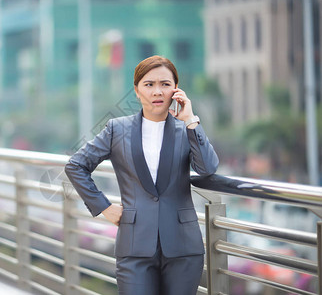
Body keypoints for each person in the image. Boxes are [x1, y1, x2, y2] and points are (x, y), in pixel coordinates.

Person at [64, 55, 219, 295]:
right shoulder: (117, 129)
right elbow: (76, 165)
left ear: (176, 90)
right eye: (149, 84)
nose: (157, 91)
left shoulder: (187, 129)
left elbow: (208, 169)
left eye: (165, 84)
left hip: (183, 248)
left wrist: (190, 120)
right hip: (134, 247)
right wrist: (104, 207)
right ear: (137, 91)